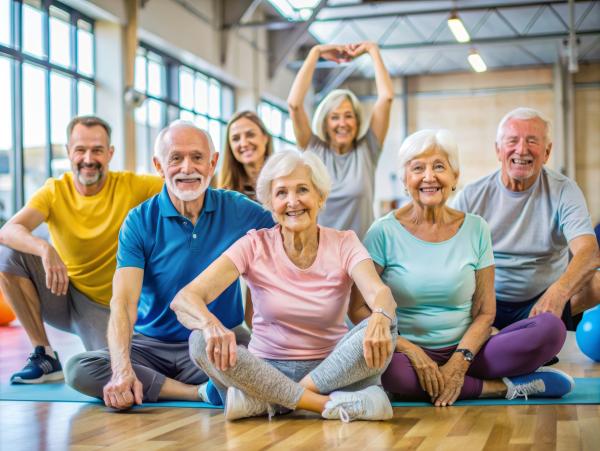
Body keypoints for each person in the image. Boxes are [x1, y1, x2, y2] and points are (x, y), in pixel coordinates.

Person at [171, 150, 398, 422]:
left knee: (389, 321)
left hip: (332, 369)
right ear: (270, 203)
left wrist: (380, 317)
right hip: (264, 370)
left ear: (320, 197)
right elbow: (185, 298)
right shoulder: (254, 244)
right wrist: (210, 325)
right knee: (199, 339)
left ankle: (268, 401)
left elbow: (379, 292)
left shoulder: (344, 242)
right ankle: (326, 405)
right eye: (281, 193)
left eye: (302, 189)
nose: (292, 202)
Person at [65, 121, 274, 410]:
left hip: (218, 341)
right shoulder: (139, 221)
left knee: (270, 363)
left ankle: (165, 386)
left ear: (213, 162)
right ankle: (199, 393)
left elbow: (288, 231)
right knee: (79, 368)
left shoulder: (239, 209)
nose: (187, 168)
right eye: (176, 158)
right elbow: (124, 302)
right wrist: (123, 369)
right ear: (159, 165)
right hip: (151, 348)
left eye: (197, 157)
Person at [361, 129, 574, 406]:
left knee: (551, 329)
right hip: (408, 357)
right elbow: (358, 308)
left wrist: (459, 363)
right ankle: (498, 388)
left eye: (439, 166)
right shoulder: (382, 232)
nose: (429, 176)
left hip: (470, 350)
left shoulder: (476, 228)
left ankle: (445, 382)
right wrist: (411, 350)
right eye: (417, 168)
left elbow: (486, 311)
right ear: (405, 178)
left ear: (454, 177)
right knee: (390, 374)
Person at [0, 115, 163, 384]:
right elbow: (7, 231)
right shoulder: (55, 190)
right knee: (8, 257)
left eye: (97, 150)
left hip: (106, 309)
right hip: (63, 294)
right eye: (80, 150)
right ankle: (45, 355)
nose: (88, 158)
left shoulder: (133, 186)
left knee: (117, 372)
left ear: (110, 153)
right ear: (68, 152)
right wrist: (45, 249)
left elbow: (186, 188)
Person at [452, 108, 600, 331]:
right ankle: (506, 331)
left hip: (542, 300)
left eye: (532, 141)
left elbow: (589, 253)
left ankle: (540, 323)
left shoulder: (564, 190)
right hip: (486, 301)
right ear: (498, 150)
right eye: (512, 140)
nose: (521, 150)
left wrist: (559, 292)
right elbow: (446, 253)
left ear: (547, 151)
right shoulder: (472, 195)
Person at [287, 42, 394, 238]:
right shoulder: (313, 150)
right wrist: (315, 52)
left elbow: (386, 97)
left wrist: (372, 50)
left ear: (357, 120)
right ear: (325, 122)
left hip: (362, 255)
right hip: (320, 258)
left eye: (348, 116)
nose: (342, 123)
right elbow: (294, 104)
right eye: (335, 117)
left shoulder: (367, 149)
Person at [218, 111, 273, 201]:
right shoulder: (224, 194)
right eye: (236, 138)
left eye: (250, 135)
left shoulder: (283, 181)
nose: (243, 143)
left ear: (265, 138)